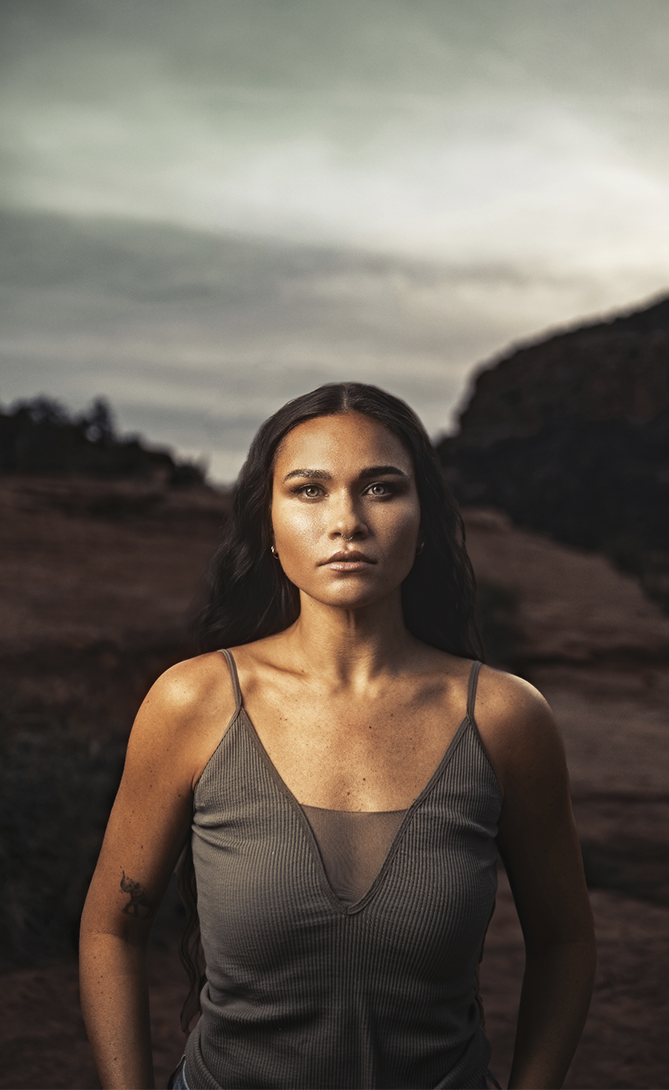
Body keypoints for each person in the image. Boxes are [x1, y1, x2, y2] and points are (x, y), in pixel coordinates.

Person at [80, 383, 595, 1090]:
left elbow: (565, 941)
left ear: (425, 516)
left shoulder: (503, 718)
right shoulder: (192, 703)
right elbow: (111, 929)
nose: (347, 520)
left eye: (381, 488)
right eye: (310, 490)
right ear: (268, 522)